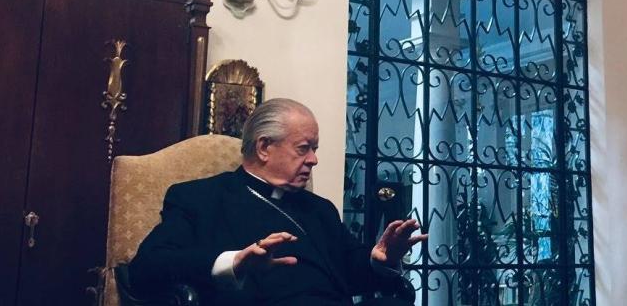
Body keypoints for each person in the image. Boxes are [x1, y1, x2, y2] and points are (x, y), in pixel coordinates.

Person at [129, 98, 428, 305]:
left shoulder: (320, 209)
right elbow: (145, 268)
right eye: (303, 148)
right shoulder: (199, 198)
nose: (313, 159)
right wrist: (234, 263)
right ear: (264, 148)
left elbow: (351, 270)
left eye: (315, 149)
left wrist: (381, 260)